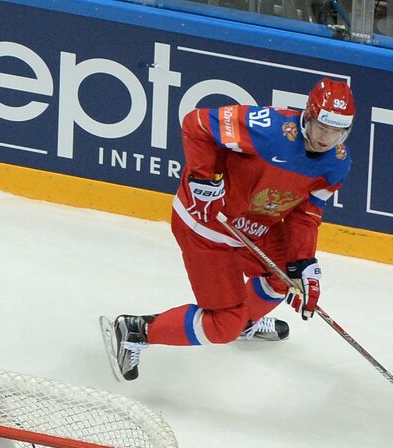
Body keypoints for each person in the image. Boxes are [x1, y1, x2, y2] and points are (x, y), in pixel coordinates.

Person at [103, 78, 355, 381]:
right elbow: (196, 123)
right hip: (207, 226)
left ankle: (244, 322)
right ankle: (136, 331)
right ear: (308, 116)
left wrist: (304, 263)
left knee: (285, 279)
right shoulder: (268, 129)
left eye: (338, 132)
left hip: (256, 228)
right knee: (223, 325)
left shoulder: (337, 163)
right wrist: (203, 178)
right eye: (322, 128)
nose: (328, 139)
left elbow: (306, 213)